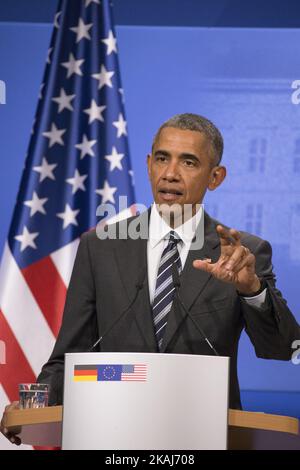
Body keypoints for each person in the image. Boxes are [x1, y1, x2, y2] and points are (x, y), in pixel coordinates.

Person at [1, 113, 299, 445]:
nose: (170, 174)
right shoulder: (100, 247)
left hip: (201, 439)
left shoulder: (242, 253)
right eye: (162, 158)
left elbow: (283, 347)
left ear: (215, 177)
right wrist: (33, 409)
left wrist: (251, 290)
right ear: (148, 165)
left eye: (188, 162)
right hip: (111, 438)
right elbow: (69, 355)